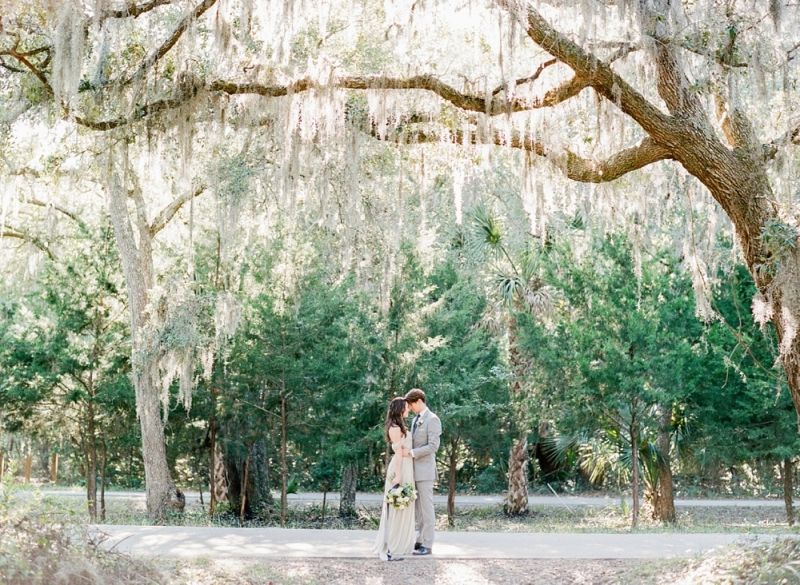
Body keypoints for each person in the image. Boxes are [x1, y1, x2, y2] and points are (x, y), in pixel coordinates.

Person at [374, 396, 416, 561]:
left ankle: (401, 544)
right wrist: (398, 475)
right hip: (400, 467)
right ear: (400, 409)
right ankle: (393, 545)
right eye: (406, 407)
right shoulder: (394, 428)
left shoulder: (400, 426)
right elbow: (398, 453)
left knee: (405, 505)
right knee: (397, 506)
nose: (408, 409)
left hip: (407, 465)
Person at [404, 388, 442, 556]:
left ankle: (428, 543)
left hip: (425, 471)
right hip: (413, 470)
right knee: (418, 509)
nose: (411, 409)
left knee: (427, 508)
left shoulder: (432, 419)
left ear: (419, 401)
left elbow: (433, 446)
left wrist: (412, 453)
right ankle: (419, 540)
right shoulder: (415, 420)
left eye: (411, 405)